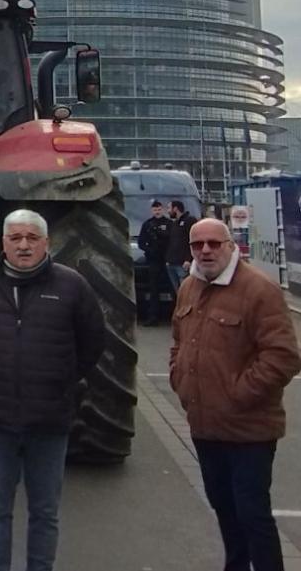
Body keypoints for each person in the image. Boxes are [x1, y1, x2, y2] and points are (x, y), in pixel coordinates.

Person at [0, 209, 106, 571]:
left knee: (44, 511)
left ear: (46, 243)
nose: (24, 246)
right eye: (16, 238)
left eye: (32, 238)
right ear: (3, 243)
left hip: (49, 419)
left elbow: (92, 343)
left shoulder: (72, 286)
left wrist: (60, 381)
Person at [170, 218, 301, 571]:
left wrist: (238, 395)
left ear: (230, 246)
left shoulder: (259, 290)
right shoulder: (189, 287)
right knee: (224, 508)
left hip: (249, 430)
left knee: (252, 513)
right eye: (198, 245)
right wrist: (178, 378)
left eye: (214, 243)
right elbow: (180, 341)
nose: (206, 251)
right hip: (204, 426)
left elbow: (283, 356)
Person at [137, 199, 172, 326]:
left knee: (173, 289)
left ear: (162, 210)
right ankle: (153, 317)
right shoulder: (147, 224)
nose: (157, 212)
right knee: (153, 290)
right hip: (153, 261)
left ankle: (174, 316)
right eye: (155, 210)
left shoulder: (169, 224)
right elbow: (141, 242)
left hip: (168, 261)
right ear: (152, 210)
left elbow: (173, 241)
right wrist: (149, 250)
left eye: (159, 209)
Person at [165, 199, 197, 292]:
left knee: (185, 291)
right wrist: (167, 259)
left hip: (183, 264)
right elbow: (171, 242)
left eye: (168, 208)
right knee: (177, 292)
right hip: (171, 263)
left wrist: (188, 259)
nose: (167, 211)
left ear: (175, 209)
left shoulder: (190, 221)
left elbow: (192, 240)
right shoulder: (174, 224)